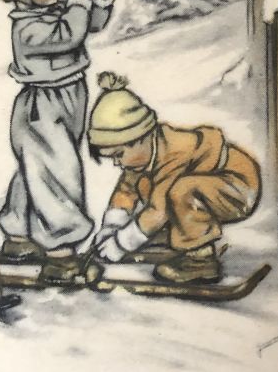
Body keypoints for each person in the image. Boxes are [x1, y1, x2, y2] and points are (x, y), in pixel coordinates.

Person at [0, 0, 119, 283]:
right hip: (41, 107)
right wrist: (79, 0)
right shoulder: (27, 28)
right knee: (56, 174)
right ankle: (61, 251)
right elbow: (70, 34)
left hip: (68, 97)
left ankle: (19, 233)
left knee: (37, 171)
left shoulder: (56, 8)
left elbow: (88, 24)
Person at [86, 72, 262, 285]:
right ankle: (176, 238)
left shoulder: (175, 151)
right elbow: (125, 193)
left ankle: (200, 260)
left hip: (238, 187)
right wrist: (111, 230)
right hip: (211, 190)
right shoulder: (141, 157)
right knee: (150, 187)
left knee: (181, 190)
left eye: (118, 154)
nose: (117, 162)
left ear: (140, 138)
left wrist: (122, 243)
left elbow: (158, 210)